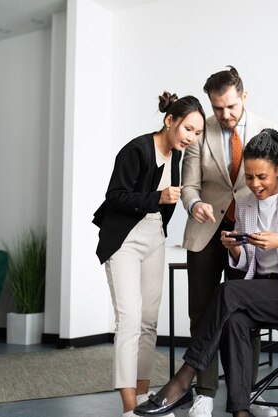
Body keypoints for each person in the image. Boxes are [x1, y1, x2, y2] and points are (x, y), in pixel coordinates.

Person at [134, 128, 278, 417]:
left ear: (277, 169)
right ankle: (240, 410)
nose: (255, 184)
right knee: (235, 319)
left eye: (261, 176)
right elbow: (246, 262)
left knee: (227, 290)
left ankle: (184, 377)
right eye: (249, 177)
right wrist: (234, 249)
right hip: (259, 292)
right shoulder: (246, 204)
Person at [92, 92, 205, 417]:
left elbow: (165, 207)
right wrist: (157, 197)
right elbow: (114, 197)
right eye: (188, 129)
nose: (192, 138)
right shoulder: (137, 149)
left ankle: (143, 396)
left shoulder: (179, 156)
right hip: (125, 238)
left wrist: (161, 207)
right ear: (170, 121)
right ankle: (129, 408)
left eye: (197, 133)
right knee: (128, 321)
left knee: (148, 321)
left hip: (153, 235)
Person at [180, 66, 276, 417]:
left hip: (248, 234)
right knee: (202, 313)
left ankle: (246, 394)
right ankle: (204, 392)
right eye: (217, 108)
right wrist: (194, 203)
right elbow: (188, 185)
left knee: (244, 316)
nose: (225, 115)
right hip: (206, 232)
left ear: (244, 97)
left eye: (231, 106)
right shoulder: (201, 130)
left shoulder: (267, 130)